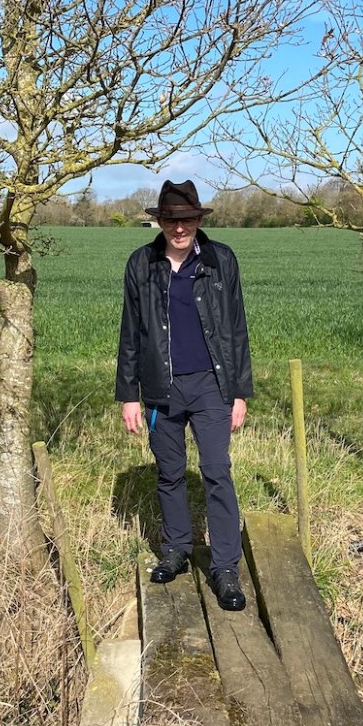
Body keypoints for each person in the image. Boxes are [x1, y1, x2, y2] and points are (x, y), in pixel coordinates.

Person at [116, 179, 253, 611]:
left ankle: (225, 568)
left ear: (198, 219)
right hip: (161, 388)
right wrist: (129, 395)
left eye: (187, 219)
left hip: (212, 386)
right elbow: (130, 333)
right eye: (171, 220)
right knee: (169, 472)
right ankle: (176, 549)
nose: (180, 228)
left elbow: (236, 330)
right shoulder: (141, 264)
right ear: (159, 221)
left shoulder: (220, 260)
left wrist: (239, 392)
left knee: (216, 471)